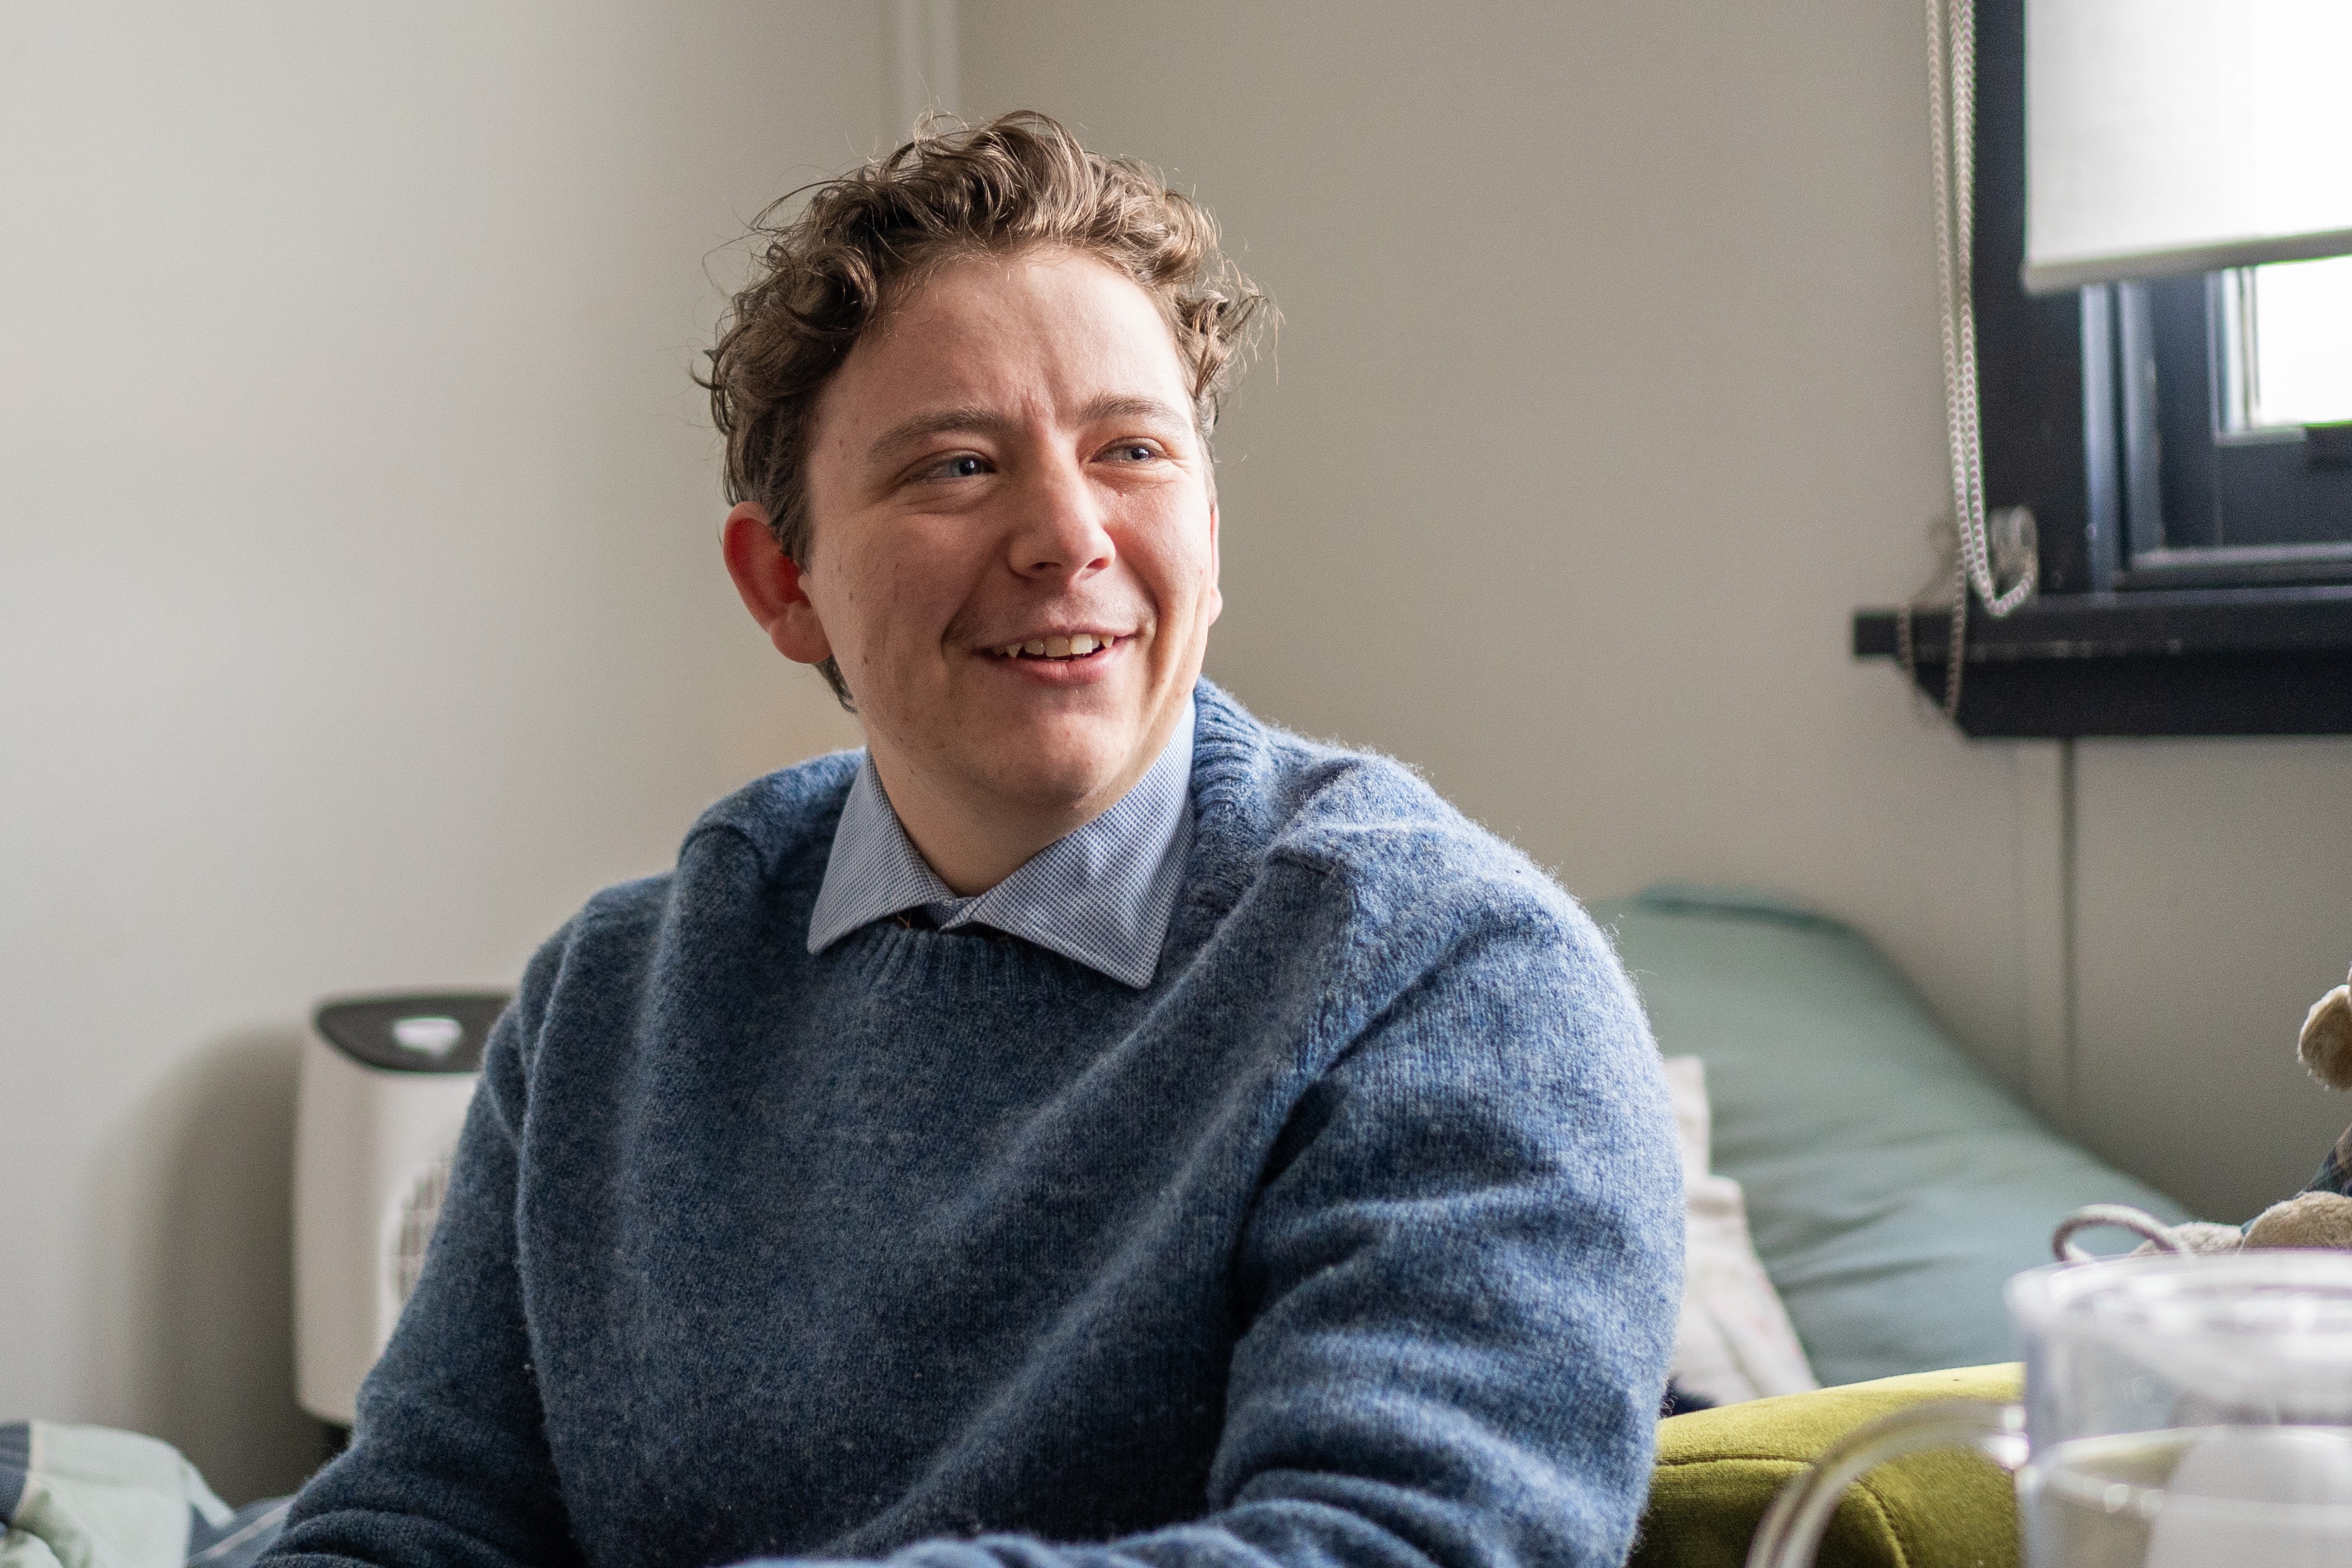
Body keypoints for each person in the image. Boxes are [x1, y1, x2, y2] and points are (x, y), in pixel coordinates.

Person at [265, 113, 1681, 1568]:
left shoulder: (1445, 970)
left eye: (1132, 448)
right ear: (785, 584)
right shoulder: (611, 1003)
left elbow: (1410, 1546)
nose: (1067, 535)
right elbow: (412, 1519)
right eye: (955, 467)